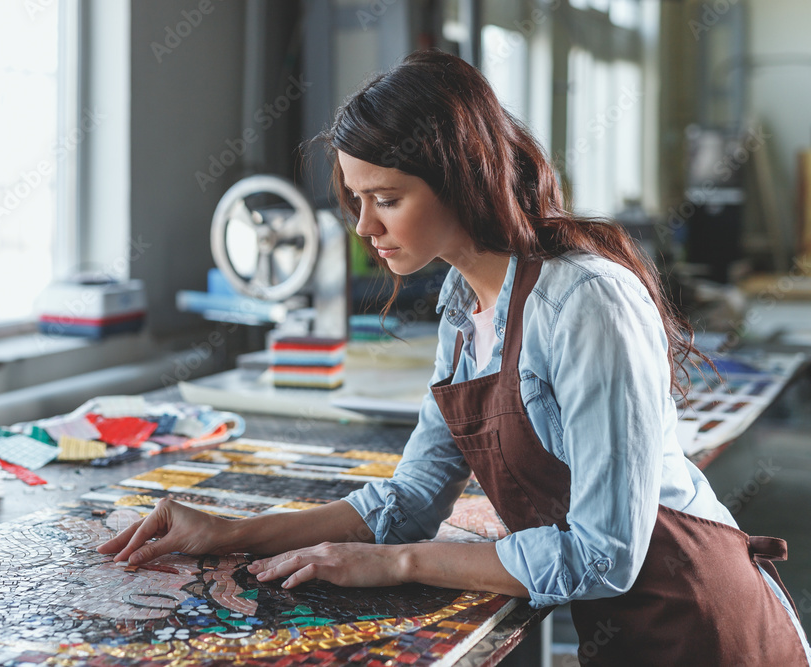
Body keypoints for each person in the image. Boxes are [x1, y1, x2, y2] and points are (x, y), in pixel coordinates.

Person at [99, 49, 811, 665]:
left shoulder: (584, 301)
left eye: (386, 198)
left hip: (704, 622)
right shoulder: (464, 309)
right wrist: (228, 532)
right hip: (622, 634)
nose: (365, 228)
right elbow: (407, 501)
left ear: (459, 176)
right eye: (355, 200)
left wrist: (395, 564)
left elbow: (604, 556)